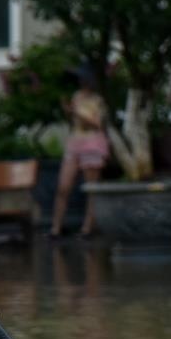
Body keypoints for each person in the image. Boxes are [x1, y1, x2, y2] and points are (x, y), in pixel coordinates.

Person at [51, 87, 110, 239]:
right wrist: (68, 111)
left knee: (91, 188)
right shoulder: (76, 95)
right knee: (63, 187)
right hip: (75, 142)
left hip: (93, 144)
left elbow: (96, 123)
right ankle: (56, 228)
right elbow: (74, 122)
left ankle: (87, 228)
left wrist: (75, 111)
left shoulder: (98, 99)